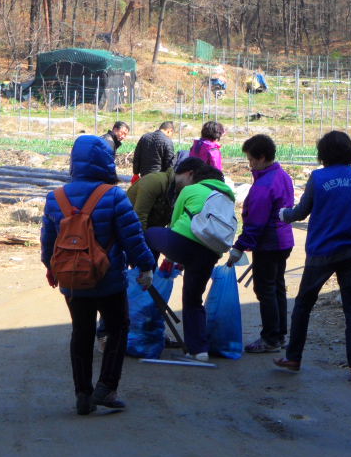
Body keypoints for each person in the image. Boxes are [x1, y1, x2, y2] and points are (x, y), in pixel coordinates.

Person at [41, 135, 156, 415]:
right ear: (106, 161)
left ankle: (82, 394)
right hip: (109, 280)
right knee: (117, 328)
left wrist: (51, 268)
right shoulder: (114, 195)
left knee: (81, 333)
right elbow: (132, 237)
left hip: (73, 280)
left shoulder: (55, 198)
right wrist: (146, 265)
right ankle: (106, 387)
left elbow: (48, 241)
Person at [274, 131, 351, 380]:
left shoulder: (318, 178)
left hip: (321, 252)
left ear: (323, 154)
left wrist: (283, 215)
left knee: (303, 305)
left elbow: (301, 212)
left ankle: (293, 357)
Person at [145, 163, 235, 361]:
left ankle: (145, 272)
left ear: (193, 175)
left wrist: (170, 256)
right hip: (210, 253)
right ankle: (199, 350)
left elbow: (176, 223)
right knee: (193, 299)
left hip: (183, 242)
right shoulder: (228, 197)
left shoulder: (192, 189)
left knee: (149, 234)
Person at [226, 135, 295, 353]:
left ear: (262, 157)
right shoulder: (282, 176)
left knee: (265, 289)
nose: (250, 164)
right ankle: (279, 334)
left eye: (251, 160)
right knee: (277, 288)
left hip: (269, 243)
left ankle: (270, 339)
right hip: (283, 240)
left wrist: (240, 246)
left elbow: (256, 222)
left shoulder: (264, 185)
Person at [127, 156, 204, 233]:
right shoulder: (155, 181)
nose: (195, 188)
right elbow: (139, 217)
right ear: (190, 174)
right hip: (127, 230)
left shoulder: (179, 192)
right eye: (196, 183)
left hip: (149, 233)